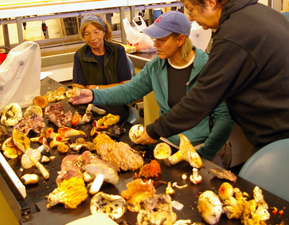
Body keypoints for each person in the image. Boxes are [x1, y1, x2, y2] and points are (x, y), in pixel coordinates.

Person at [131, 0, 289, 156]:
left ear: (210, 1)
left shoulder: (234, 34)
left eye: (191, 10)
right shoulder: (260, 12)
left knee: (268, 187)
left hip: (286, 129)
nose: (190, 18)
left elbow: (202, 98)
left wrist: (156, 130)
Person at [71, 11, 234, 162]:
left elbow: (224, 119)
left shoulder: (209, 68)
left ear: (180, 40)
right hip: (165, 141)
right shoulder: (157, 66)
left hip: (198, 146)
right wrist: (93, 94)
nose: (155, 45)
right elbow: (128, 91)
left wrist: (204, 153)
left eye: (161, 40)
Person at [73, 14, 132, 121]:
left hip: (115, 102)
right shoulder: (80, 55)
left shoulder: (117, 51)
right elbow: (78, 89)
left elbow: (126, 86)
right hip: (91, 103)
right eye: (87, 34)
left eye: (96, 32)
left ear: (104, 32)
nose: (92, 38)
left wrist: (95, 88)